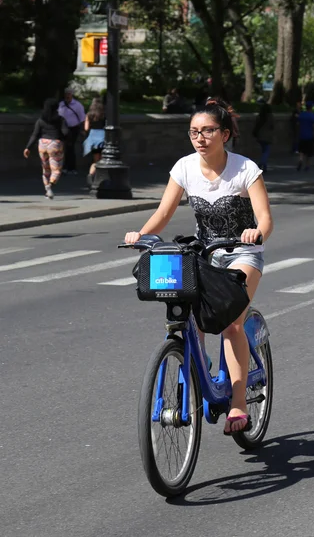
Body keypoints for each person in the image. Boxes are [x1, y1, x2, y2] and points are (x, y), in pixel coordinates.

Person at [124, 98, 273, 435]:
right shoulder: (185, 167)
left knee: (232, 324)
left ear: (224, 134)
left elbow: (265, 217)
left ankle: (237, 403)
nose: (200, 138)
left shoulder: (245, 169)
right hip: (204, 252)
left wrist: (257, 231)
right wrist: (142, 235)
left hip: (241, 253)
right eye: (194, 132)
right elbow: (163, 213)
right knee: (192, 318)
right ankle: (199, 366)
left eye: (207, 131)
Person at [23, 98, 67, 199]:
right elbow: (66, 132)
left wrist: (28, 147)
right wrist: (64, 138)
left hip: (42, 144)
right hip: (55, 144)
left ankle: (47, 193)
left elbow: (34, 135)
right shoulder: (60, 119)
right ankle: (49, 186)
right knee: (56, 170)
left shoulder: (40, 120)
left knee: (46, 169)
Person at [58, 88, 85, 174]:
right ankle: (67, 167)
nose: (67, 95)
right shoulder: (61, 104)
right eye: (66, 93)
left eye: (69, 94)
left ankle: (71, 167)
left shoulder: (77, 105)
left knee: (70, 147)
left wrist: (82, 129)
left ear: (72, 94)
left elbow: (82, 118)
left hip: (73, 128)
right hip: (63, 128)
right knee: (66, 148)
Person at [83, 97, 106, 186]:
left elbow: (86, 128)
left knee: (95, 160)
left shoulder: (89, 114)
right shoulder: (104, 114)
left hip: (93, 139)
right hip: (103, 138)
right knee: (104, 159)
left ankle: (91, 175)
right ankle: (102, 177)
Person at [253, 97, 274, 173]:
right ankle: (261, 163)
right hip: (267, 136)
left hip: (260, 135)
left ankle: (265, 166)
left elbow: (256, 125)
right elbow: (272, 125)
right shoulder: (270, 116)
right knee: (266, 151)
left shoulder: (260, 116)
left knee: (263, 150)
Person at [297, 101, 314, 171]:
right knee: (309, 152)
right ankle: (307, 165)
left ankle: (300, 160)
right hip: (310, 136)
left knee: (301, 150)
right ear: (311, 107)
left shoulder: (302, 115)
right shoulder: (312, 116)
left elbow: (298, 124)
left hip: (302, 135)